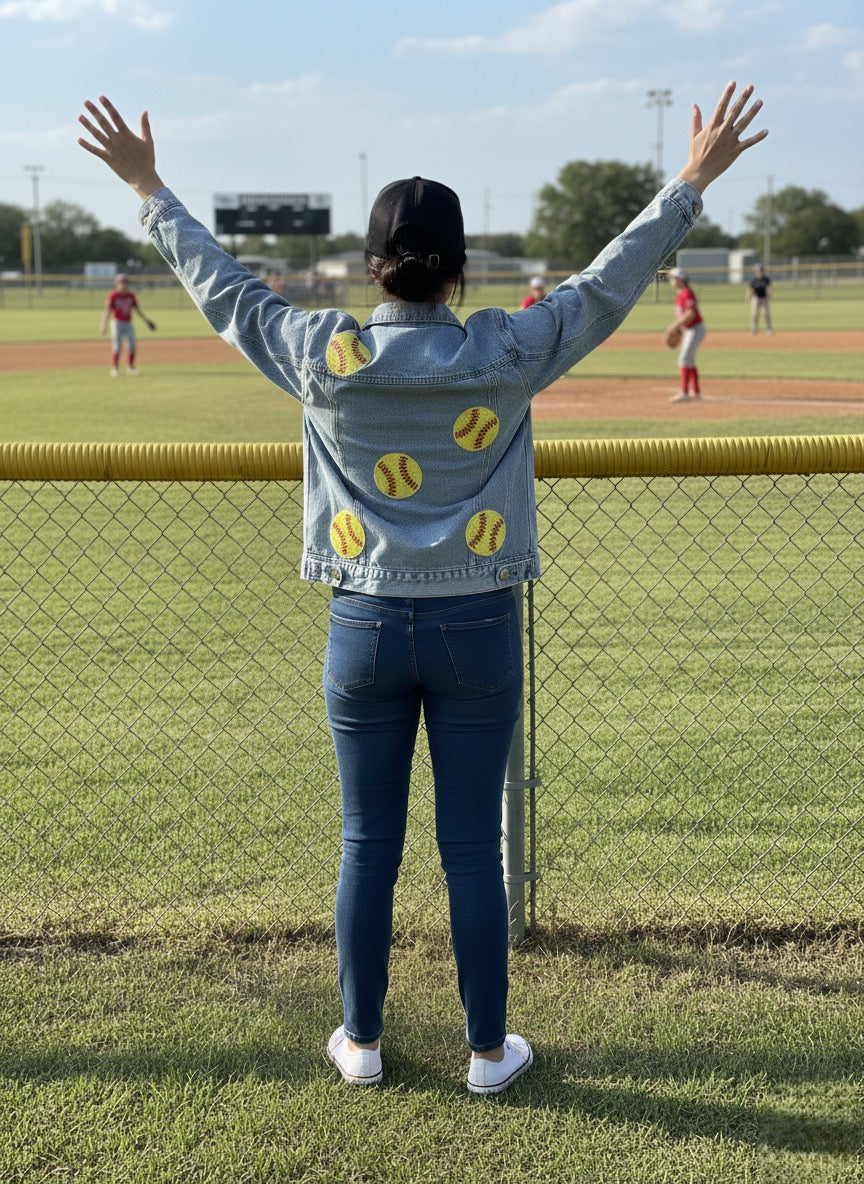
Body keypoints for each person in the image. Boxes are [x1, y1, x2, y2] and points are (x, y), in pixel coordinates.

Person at [77, 81, 766, 1095]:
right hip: (477, 622)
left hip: (361, 623)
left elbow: (221, 287)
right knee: (469, 850)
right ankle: (489, 1052)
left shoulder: (323, 352)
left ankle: (361, 1041)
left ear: (372, 267)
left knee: (368, 842)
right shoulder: (509, 346)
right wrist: (690, 181)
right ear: (461, 270)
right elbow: (609, 284)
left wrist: (149, 189)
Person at [99, 271, 155, 376]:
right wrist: (103, 325)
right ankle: (115, 369)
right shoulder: (113, 295)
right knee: (117, 346)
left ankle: (130, 368)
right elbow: (107, 311)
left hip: (128, 323)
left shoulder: (131, 295)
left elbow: (137, 310)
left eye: (124, 282)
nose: (123, 284)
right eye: (120, 282)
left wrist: (147, 321)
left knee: (132, 345)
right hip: (117, 323)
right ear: (117, 283)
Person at [668, 266, 706, 403]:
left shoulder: (686, 293)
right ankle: (696, 393)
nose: (671, 280)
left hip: (695, 329)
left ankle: (684, 393)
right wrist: (679, 327)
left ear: (679, 279)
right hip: (690, 330)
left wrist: (675, 325)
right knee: (689, 360)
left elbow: (691, 313)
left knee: (683, 360)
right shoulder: (681, 294)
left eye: (673, 278)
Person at [747, 263, 773, 335]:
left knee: (766, 314)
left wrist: (769, 294)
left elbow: (769, 287)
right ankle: (754, 329)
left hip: (764, 298)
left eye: (761, 270)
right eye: (758, 271)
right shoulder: (753, 279)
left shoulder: (766, 279)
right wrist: (748, 297)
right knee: (755, 314)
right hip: (756, 298)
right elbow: (750, 289)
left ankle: (768, 329)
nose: (760, 272)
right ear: (756, 271)